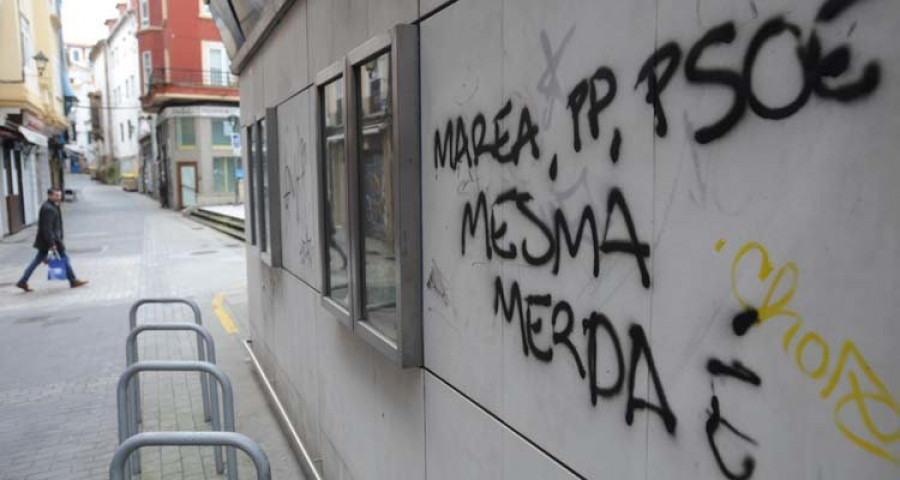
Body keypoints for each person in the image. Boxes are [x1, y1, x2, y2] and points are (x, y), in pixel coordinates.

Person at [15, 188, 88, 292]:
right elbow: (47, 228)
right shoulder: (48, 208)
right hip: (52, 241)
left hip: (50, 241)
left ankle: (22, 281)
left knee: (37, 261)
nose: (59, 197)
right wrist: (52, 244)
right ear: (50, 196)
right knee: (64, 258)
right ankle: (73, 280)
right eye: (56, 196)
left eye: (59, 195)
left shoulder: (52, 206)